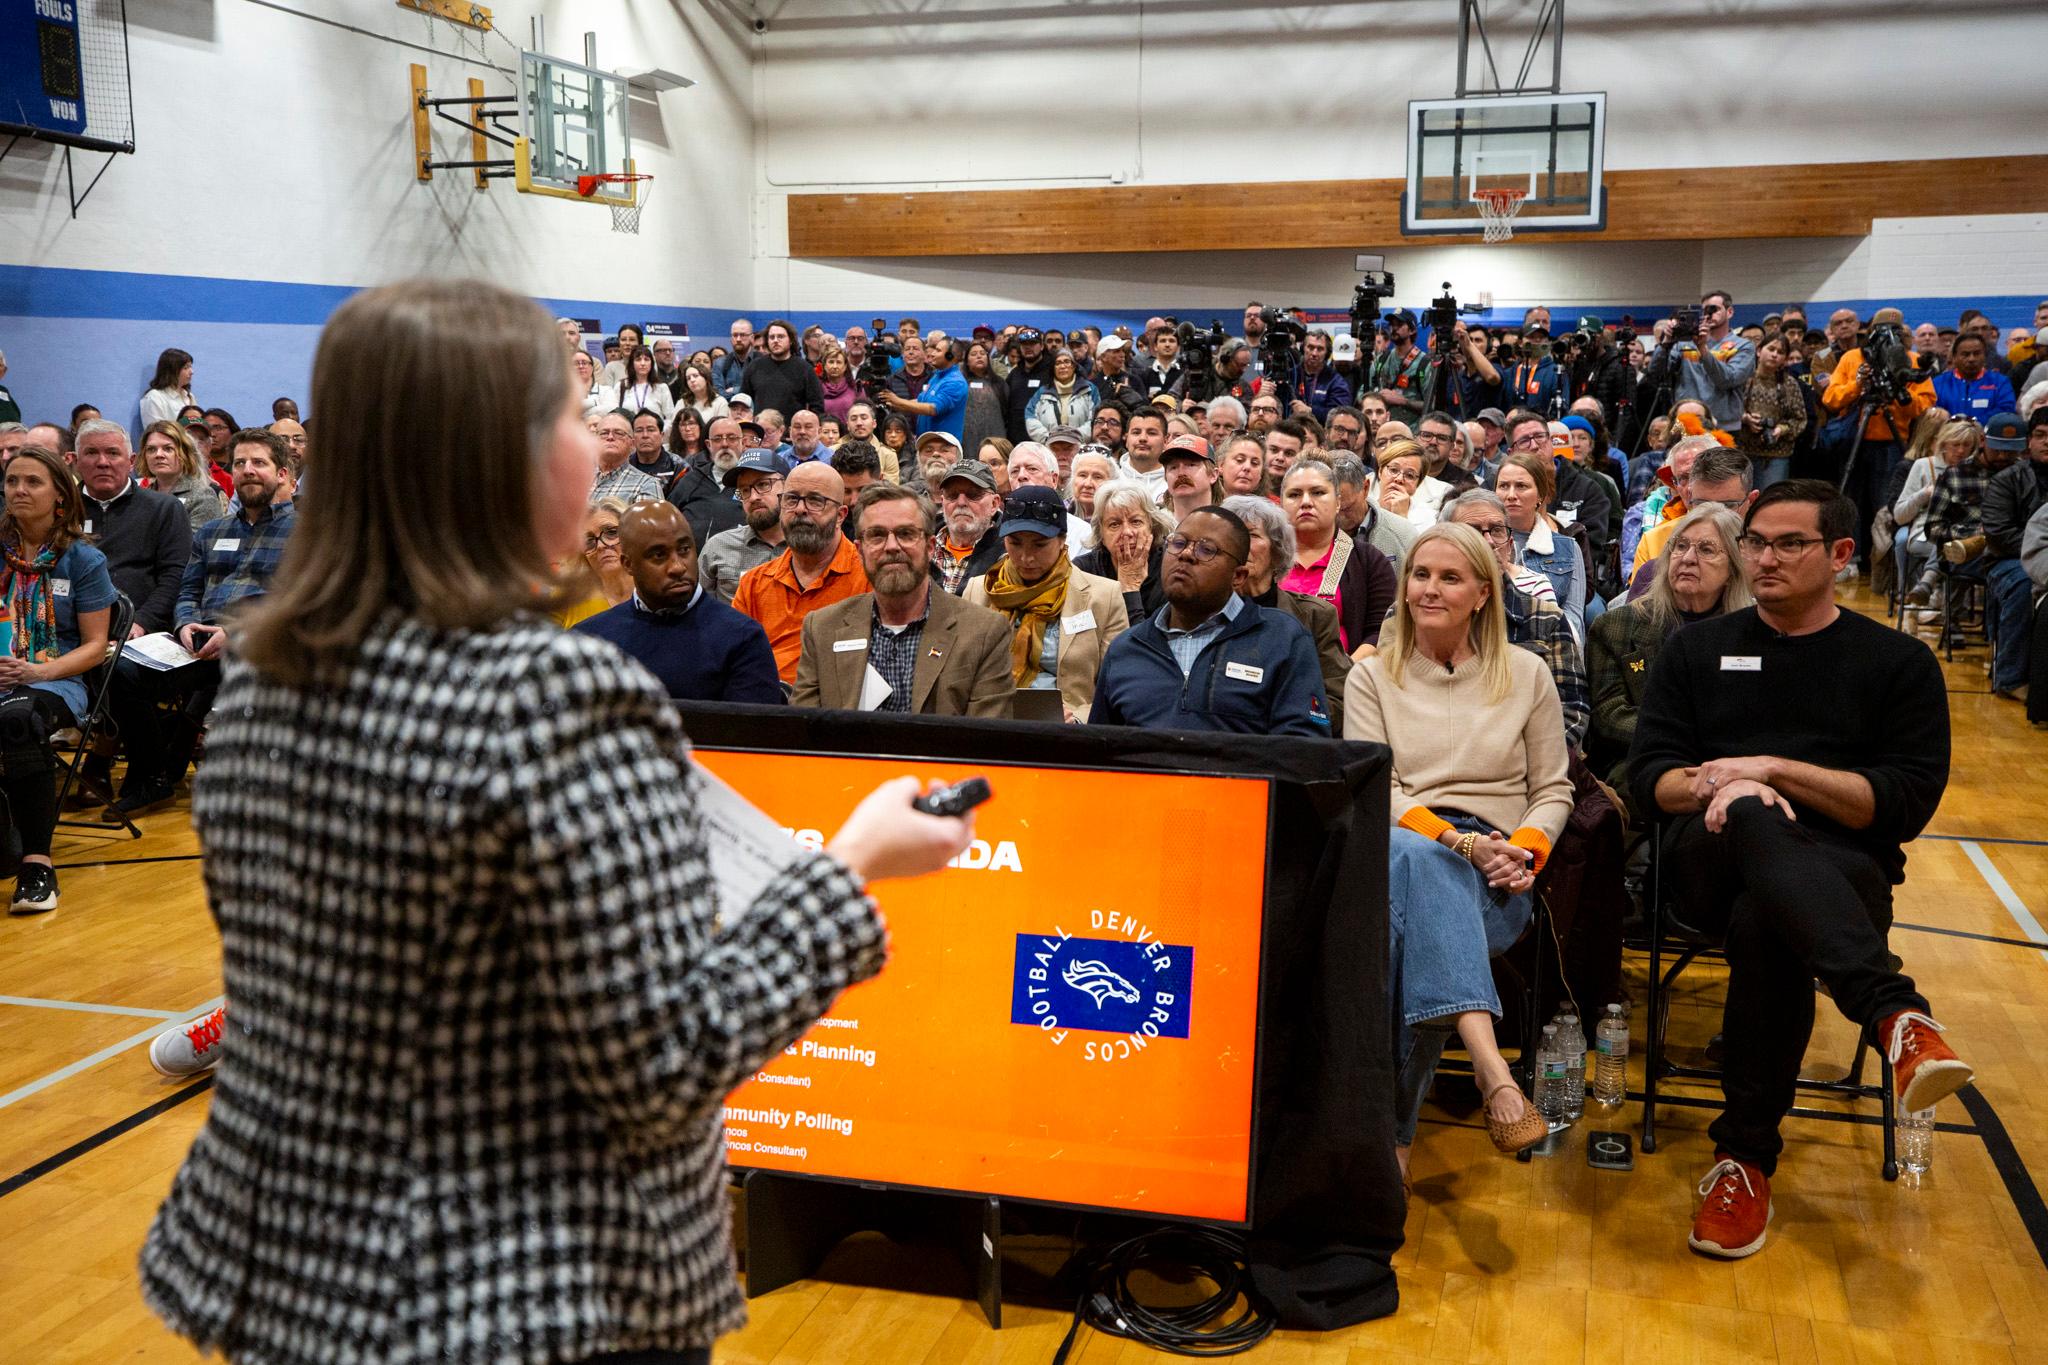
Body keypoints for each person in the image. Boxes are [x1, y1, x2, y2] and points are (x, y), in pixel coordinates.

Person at [137, 280, 975, 1364]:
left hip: (297, 1268)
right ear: (514, 459)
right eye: (573, 420)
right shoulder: (558, 696)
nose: (593, 451)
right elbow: (666, 1059)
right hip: (528, 1290)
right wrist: (851, 864)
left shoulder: (263, 675)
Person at [1630, 480, 1970, 1260]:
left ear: (1841, 555)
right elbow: (1650, 778)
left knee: (1770, 920)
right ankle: (1894, 1014)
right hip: (1708, 857)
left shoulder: (1898, 662)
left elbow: (1902, 804)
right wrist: (1739, 783)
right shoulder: (1697, 648)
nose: (1764, 558)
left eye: (1789, 544)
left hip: (1840, 872)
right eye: (1754, 542)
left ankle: (1743, 1159)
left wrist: (1775, 768)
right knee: (1750, 817)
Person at [1345, 521, 1572, 1169]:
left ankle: (1392, 1149)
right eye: (1420, 574)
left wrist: (1520, 851)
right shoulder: (1372, 677)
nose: (1429, 589)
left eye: (1449, 577)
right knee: (1422, 860)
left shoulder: (1526, 673)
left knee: (1405, 938)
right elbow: (1375, 789)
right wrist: (1457, 841)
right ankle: (1492, 1067)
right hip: (1402, 848)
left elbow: (1554, 790)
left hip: (1501, 875)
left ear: (1482, 593)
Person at [105, 428, 296, 820]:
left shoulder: (308, 533)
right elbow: (187, 588)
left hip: (262, 645)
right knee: (119, 669)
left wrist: (235, 632)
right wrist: (185, 624)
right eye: (240, 463)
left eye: (259, 463)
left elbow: (293, 600)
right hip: (197, 642)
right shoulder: (213, 532)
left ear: (281, 473)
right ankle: (153, 778)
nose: (247, 471)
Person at [1090, 506, 1331, 736]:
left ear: (1238, 576)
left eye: (1207, 550)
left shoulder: (1282, 638)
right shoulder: (1126, 648)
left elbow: (1304, 747)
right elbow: (1096, 756)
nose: (1185, 555)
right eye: (1178, 543)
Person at [0, 449, 117, 913]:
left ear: (60, 497)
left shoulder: (83, 561)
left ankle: (38, 867)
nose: (19, 491)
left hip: (55, 679)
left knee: (18, 718)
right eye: (12, 482)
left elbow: (94, 646)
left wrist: (36, 671)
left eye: (32, 482)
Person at [793, 484, 1014, 716]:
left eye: (906, 534)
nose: (891, 547)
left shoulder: (984, 632)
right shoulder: (822, 629)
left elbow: (986, 743)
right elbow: (803, 735)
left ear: (930, 547)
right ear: (859, 550)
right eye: (877, 536)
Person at [1586, 505, 1752, 803]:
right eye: (1680, 546)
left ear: (1733, 568)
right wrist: (1693, 742)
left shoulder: (1753, 632)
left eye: (1706, 549)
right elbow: (1610, 717)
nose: (1688, 558)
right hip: (1639, 760)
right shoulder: (1616, 625)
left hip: (1733, 764)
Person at [573, 502, 782, 704]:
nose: (677, 567)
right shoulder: (589, 640)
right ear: (628, 564)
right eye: (658, 555)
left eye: (684, 550)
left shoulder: (742, 637)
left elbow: (752, 737)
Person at [1440, 490, 1592, 750]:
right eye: (1473, 530)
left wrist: (1527, 764)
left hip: (1525, 766)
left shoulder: (1546, 619)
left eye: (1497, 530)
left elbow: (1571, 711)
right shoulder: (1413, 614)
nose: (1487, 541)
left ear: (1510, 547)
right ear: (1445, 545)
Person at [963, 485, 1129, 721]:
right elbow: (962, 676)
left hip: (1068, 734)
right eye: (1015, 543)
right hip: (992, 723)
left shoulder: (1104, 597)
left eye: (1039, 545)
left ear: (1062, 539)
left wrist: (1079, 719)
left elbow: (1118, 687)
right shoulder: (979, 591)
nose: (1026, 556)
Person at [730, 460, 870, 685]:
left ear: (841, 515)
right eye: (791, 499)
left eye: (815, 500)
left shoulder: (869, 577)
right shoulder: (753, 584)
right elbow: (735, 663)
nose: (800, 509)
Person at [1821, 308, 1937, 567]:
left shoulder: (1912, 361)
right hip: (1854, 441)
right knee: (1850, 501)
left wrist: (1897, 394)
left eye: (1895, 331)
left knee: (1886, 503)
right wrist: (1859, 385)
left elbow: (1925, 405)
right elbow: (1830, 398)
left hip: (1892, 442)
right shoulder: (1852, 358)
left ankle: (1884, 564)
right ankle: (1849, 560)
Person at [1224, 493, 1352, 730]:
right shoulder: (1204, 611)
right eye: (1231, 536)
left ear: (1277, 551)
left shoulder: (1314, 617)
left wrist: (1283, 715)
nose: (1239, 544)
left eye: (1251, 535)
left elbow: (1339, 700)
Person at [72, 420, 190, 639]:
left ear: (131, 461)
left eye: (113, 453)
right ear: (76, 461)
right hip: (69, 628)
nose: (102, 462)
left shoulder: (164, 509)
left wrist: (141, 622)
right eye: (91, 453)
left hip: (140, 630)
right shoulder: (61, 510)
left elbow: (175, 576)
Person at [1279, 459, 1396, 658]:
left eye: (1318, 492)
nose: (1306, 502)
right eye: (1295, 494)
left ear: (1338, 503)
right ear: (1281, 504)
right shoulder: (1266, 558)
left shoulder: (1369, 561)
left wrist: (1344, 677)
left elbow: (1381, 632)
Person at [1981, 410, 2047, 702]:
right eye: (2041, 435)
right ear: (2028, 442)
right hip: (2007, 561)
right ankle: (2010, 677)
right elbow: (1998, 532)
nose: (2047, 442)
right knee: (2024, 584)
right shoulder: (2006, 480)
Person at [1495, 450, 1587, 629]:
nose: (1511, 495)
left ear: (1540, 496)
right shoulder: (1479, 542)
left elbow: (1574, 620)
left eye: (1521, 486)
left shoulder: (1567, 548)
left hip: (1548, 646)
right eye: (1504, 486)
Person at [1643, 291, 1757, 432]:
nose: (1708, 314)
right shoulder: (1684, 344)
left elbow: (1728, 379)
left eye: (1713, 309)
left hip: (1724, 427)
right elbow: (1655, 372)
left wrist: (1702, 349)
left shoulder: (1743, 346)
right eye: (1704, 311)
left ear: (1730, 312)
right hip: (1687, 423)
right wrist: (1666, 342)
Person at [697, 449, 788, 604]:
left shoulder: (809, 546)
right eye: (745, 490)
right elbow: (700, 612)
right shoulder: (718, 547)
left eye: (763, 484)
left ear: (787, 486)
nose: (753, 497)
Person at [1074, 478, 1170, 622]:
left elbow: (1145, 643)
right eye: (1114, 524)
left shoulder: (1170, 567)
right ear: (1101, 533)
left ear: (1152, 526)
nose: (1127, 532)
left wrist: (1130, 588)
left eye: (1136, 521)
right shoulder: (1083, 571)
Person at [1738, 332, 1809, 488]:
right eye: (1771, 349)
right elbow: (1726, 411)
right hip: (1743, 452)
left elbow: (1800, 419)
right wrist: (1745, 419)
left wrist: (1780, 429)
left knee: (1772, 500)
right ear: (1758, 351)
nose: (1775, 355)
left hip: (1778, 456)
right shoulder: (1742, 378)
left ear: (1785, 358)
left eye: (1781, 352)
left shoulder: (1789, 384)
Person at [556, 498, 636, 627]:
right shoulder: (565, 596)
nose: (600, 546)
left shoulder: (657, 589)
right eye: (589, 540)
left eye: (611, 532)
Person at [138, 419, 229, 532]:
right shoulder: (141, 496)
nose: (158, 455)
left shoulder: (202, 495)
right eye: (151, 449)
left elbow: (192, 546)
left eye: (168, 449)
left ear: (184, 453)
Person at [740, 318, 822, 419]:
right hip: (760, 431)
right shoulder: (754, 367)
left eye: (780, 337)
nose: (775, 340)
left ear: (790, 340)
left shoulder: (804, 369)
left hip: (792, 432)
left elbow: (817, 406)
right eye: (771, 337)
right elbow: (743, 401)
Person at [1932, 332, 2018, 421]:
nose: (1971, 359)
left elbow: (2006, 411)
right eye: (1965, 354)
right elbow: (1933, 414)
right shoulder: (1938, 384)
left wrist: (1974, 423)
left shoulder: (2000, 382)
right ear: (1954, 357)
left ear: (1985, 356)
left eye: (1976, 354)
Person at [588, 410, 664, 505]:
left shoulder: (646, 485)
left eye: (618, 433)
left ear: (632, 444)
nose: (610, 437)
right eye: (604, 433)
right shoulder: (579, 477)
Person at [1027, 348, 1098, 441]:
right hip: (1049, 447)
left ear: (1074, 366)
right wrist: (1048, 438)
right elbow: (1030, 418)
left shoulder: (1089, 389)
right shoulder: (1042, 392)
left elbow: (1095, 418)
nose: (1062, 366)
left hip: (1081, 446)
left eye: (1067, 362)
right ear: (1053, 368)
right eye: (1058, 363)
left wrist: (1075, 437)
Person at [1159, 433, 1221, 522]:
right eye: (1173, 467)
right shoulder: (1156, 528)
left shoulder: (1228, 527)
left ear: (1213, 475)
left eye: (1191, 465)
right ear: (1165, 477)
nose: (1181, 473)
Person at [1117, 407, 1169, 498]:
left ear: (1165, 441)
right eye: (1136, 432)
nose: (1143, 438)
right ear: (1126, 440)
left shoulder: (1174, 482)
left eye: (1151, 433)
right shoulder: (1111, 478)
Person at [627, 409, 683, 489]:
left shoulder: (678, 466)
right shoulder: (624, 465)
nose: (645, 435)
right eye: (639, 430)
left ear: (662, 435)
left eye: (651, 430)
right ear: (632, 437)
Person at [141, 348, 195, 428]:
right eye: (186, 368)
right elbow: (155, 432)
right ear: (171, 371)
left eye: (191, 367)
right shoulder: (154, 397)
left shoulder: (189, 396)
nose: (192, 372)